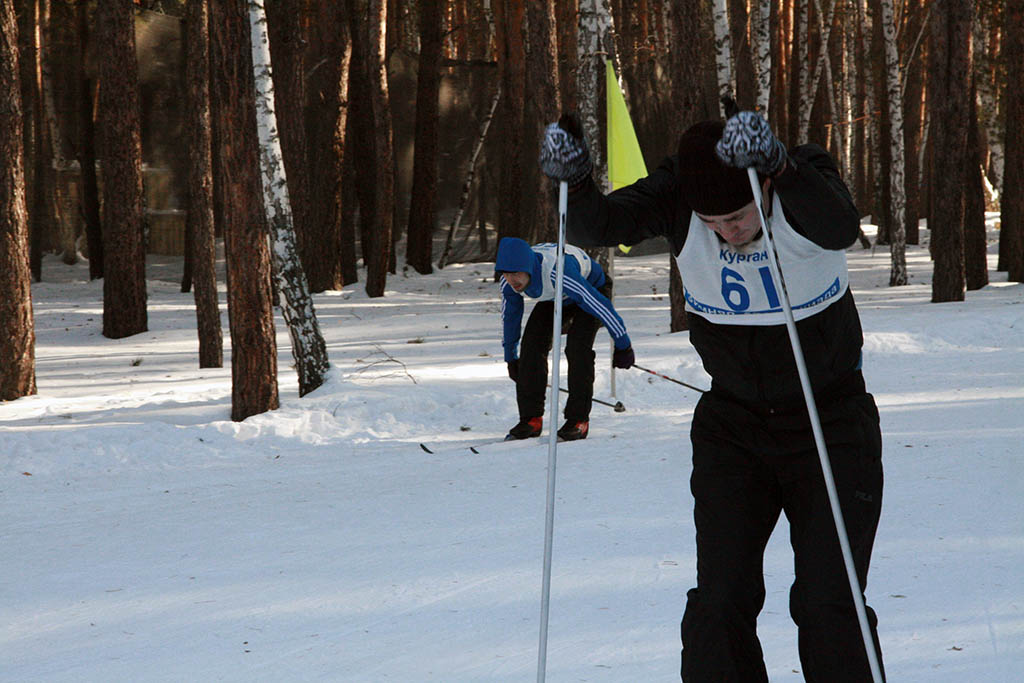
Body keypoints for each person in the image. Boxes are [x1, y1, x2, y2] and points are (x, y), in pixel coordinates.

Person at [539, 109, 885, 681]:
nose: (727, 231)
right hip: (734, 426)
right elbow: (600, 226)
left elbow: (840, 226)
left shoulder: (802, 173)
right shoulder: (679, 188)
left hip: (831, 421)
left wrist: (779, 164)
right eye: (712, 221)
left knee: (830, 602)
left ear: (764, 183)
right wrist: (575, 184)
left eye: (737, 216)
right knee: (720, 601)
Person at [495, 237, 635, 442]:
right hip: (555, 296)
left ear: (528, 268)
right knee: (531, 346)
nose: (511, 279)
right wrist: (511, 357)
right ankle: (531, 419)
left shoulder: (557, 272)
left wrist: (624, 346)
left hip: (590, 287)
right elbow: (511, 318)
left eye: (515, 273)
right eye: (506, 274)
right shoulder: (509, 283)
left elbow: (599, 305)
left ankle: (578, 420)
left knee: (578, 348)